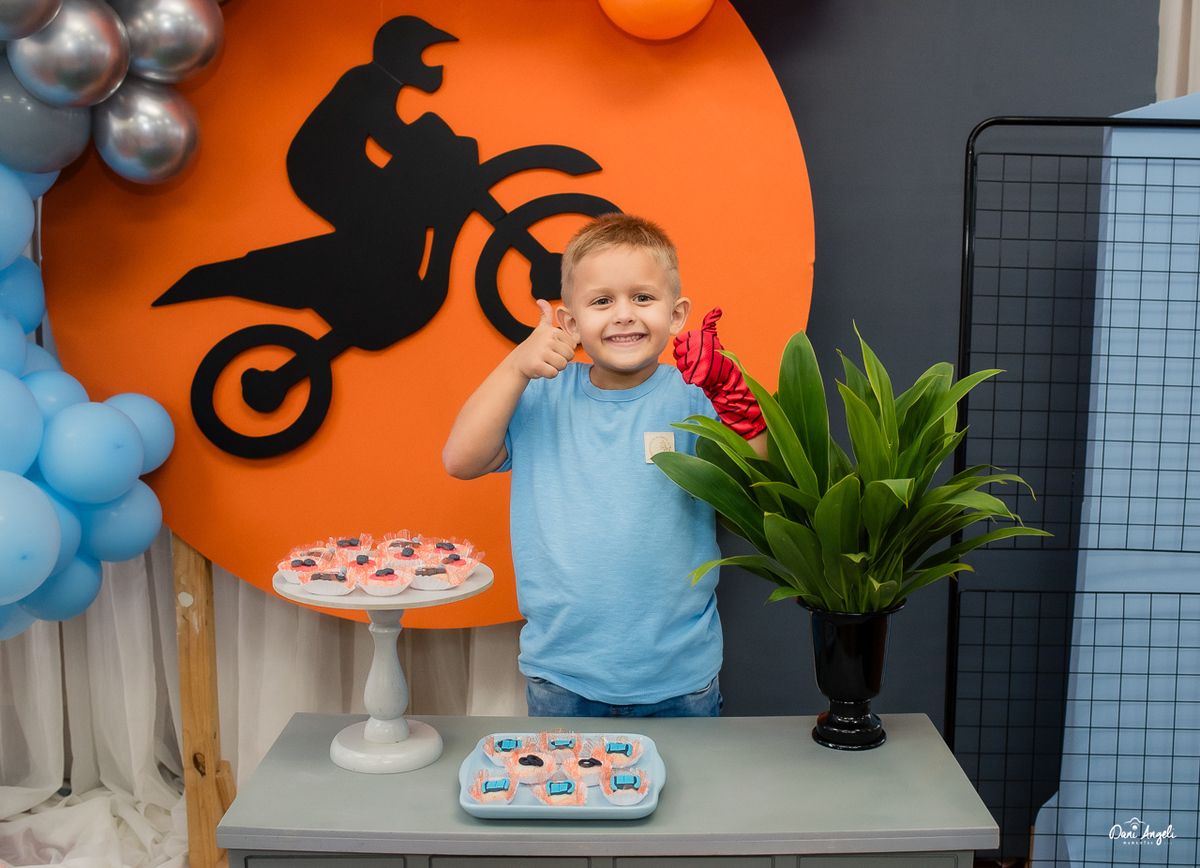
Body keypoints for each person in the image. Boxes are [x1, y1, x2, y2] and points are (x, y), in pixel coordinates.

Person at [443, 213, 766, 717]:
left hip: (680, 676)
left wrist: (735, 399)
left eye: (643, 297)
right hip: (562, 674)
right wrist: (514, 366)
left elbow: (758, 488)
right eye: (601, 301)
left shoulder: (696, 395)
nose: (623, 315)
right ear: (570, 324)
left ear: (677, 315)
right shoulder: (542, 395)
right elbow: (460, 460)